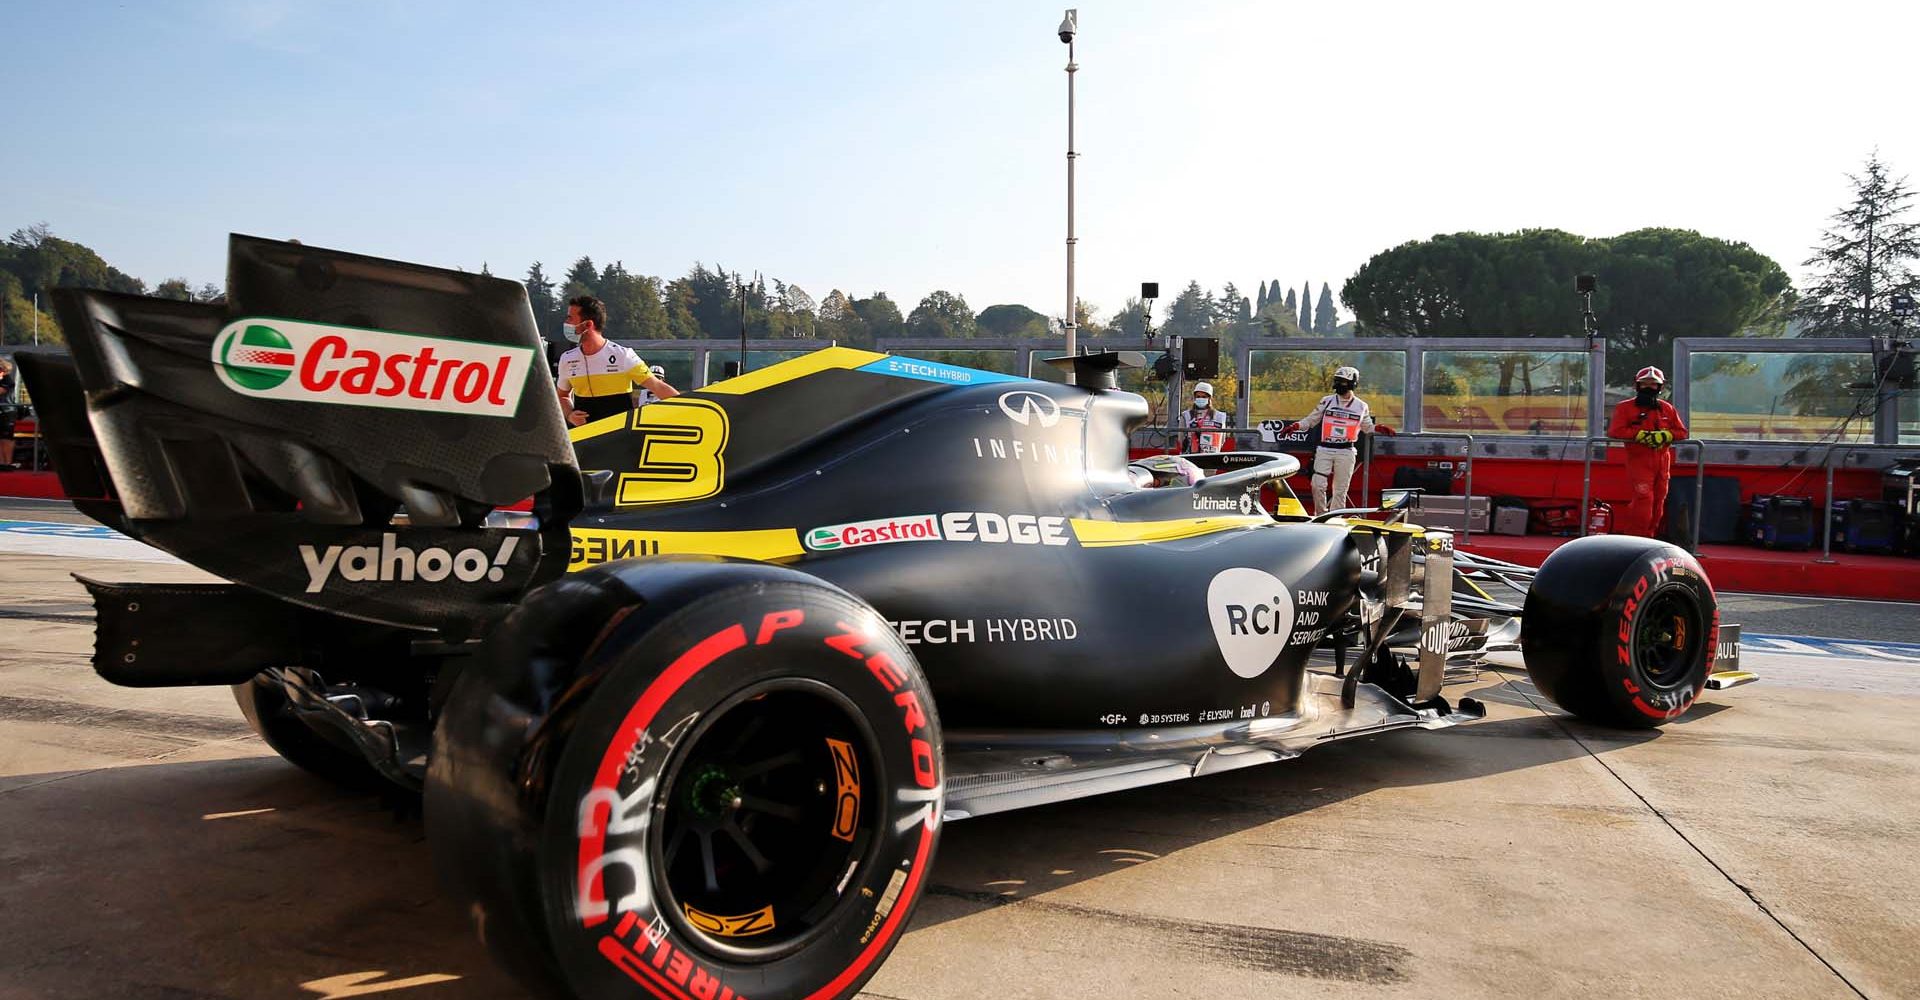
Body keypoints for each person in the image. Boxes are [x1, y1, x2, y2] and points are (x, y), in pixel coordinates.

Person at [554, 295, 678, 426]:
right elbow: (562, 396)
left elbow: (657, 386)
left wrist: (692, 409)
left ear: (588, 324)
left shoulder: (623, 356)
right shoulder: (567, 359)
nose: (566, 323)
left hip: (618, 438)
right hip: (584, 439)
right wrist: (569, 415)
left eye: (570, 318)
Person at [1607, 365, 1689, 538]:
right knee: (1644, 501)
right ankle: (1635, 539)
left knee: (1658, 503)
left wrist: (1666, 435)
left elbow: (1682, 432)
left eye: (1653, 384)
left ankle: (1649, 538)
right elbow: (1615, 431)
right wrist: (1639, 435)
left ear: (1660, 387)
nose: (1649, 387)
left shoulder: (1667, 408)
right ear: (1636, 385)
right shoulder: (1625, 408)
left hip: (1662, 464)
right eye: (1644, 383)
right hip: (1639, 463)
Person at [1288, 366, 1375, 514]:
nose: (1339, 385)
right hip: (1325, 448)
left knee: (1340, 490)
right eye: (1337, 381)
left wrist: (1379, 429)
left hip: (1346, 451)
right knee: (1317, 484)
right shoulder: (1327, 401)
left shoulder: (1361, 406)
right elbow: (1311, 420)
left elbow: (1368, 427)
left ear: (1352, 383)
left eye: (1343, 382)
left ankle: (1335, 519)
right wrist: (1296, 426)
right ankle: (1320, 515)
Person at [1176, 381, 1233, 453]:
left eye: (1204, 397)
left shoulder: (1219, 416)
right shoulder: (1186, 415)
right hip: (1191, 456)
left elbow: (1222, 439)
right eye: (1198, 396)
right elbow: (1180, 438)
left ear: (1209, 398)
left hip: (1211, 456)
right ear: (1194, 398)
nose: (1200, 399)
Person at [0, 356, 17, 471]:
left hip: (7, 411)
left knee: (6, 438)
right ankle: (1, 463)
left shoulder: (7, 380)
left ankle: (7, 463)